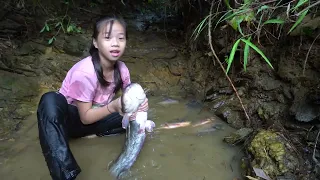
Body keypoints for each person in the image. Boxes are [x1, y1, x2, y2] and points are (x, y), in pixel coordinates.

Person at [36, 15, 148, 180]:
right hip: (73, 121)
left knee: (139, 116)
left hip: (97, 120)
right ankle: (65, 174)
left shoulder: (122, 69)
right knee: (49, 100)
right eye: (108, 37)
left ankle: (95, 137)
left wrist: (140, 106)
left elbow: (126, 104)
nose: (115, 43)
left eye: (121, 38)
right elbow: (85, 118)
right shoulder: (85, 72)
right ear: (95, 42)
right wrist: (115, 106)